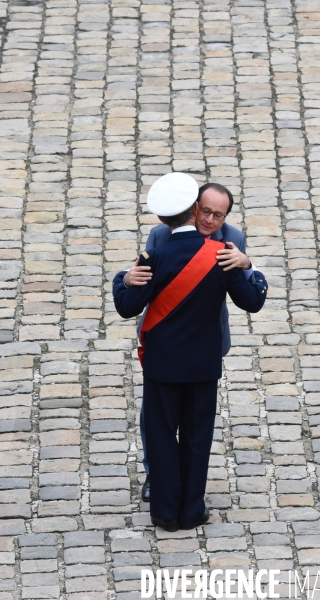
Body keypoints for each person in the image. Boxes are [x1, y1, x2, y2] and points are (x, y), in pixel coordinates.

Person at [113, 172, 267, 531]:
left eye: (219, 215)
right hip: (202, 358)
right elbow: (253, 301)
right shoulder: (221, 255)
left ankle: (165, 512)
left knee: (163, 431)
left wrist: (121, 280)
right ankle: (191, 509)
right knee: (197, 436)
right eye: (206, 212)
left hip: (163, 359)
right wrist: (252, 273)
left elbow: (127, 305)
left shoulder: (158, 252)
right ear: (194, 207)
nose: (211, 220)